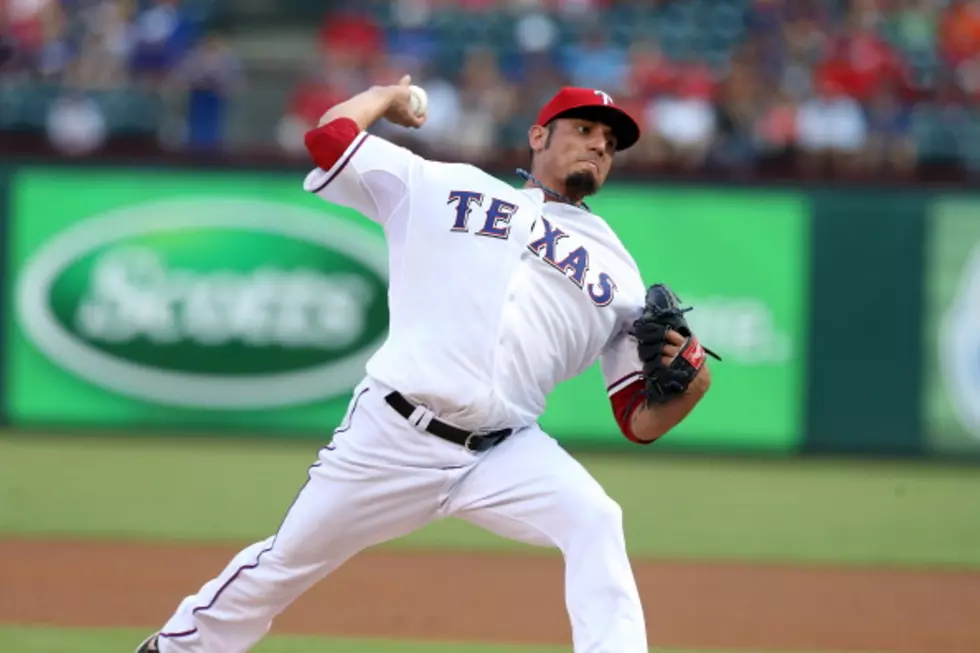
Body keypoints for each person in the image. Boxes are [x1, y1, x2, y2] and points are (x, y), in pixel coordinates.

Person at [135, 74, 713, 653]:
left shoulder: (619, 271)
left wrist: (695, 384)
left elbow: (638, 421)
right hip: (391, 434)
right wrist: (385, 97)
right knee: (283, 563)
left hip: (506, 449)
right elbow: (329, 140)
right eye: (584, 130)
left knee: (595, 519)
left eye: (609, 144)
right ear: (539, 135)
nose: (597, 146)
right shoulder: (441, 185)